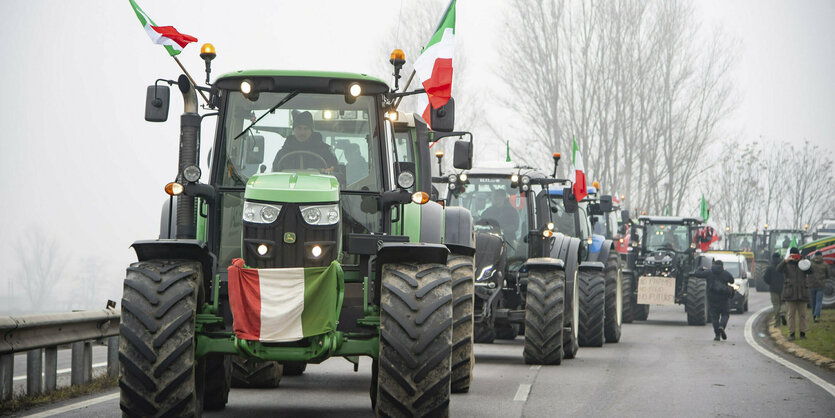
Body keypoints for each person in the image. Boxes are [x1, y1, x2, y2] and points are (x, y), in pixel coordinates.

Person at [272, 111, 339, 172]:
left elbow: (335, 173)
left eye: (306, 129)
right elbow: (274, 176)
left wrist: (326, 171)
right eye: (299, 128)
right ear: (294, 129)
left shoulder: (325, 152)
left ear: (311, 131)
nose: (302, 132)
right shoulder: (282, 153)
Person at [695, 259, 734, 341]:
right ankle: (722, 326)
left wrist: (701, 268)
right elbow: (732, 280)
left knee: (715, 317)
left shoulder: (709, 272)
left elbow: (697, 274)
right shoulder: (725, 273)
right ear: (722, 266)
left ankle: (717, 335)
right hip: (723, 298)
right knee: (725, 314)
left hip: (712, 298)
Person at [777, 247, 809, 341]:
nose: (794, 257)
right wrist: (785, 261)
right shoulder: (787, 265)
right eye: (793, 255)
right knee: (791, 315)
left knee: (802, 315)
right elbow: (778, 269)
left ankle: (802, 333)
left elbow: (811, 271)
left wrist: (804, 261)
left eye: (796, 255)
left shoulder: (802, 264)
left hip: (802, 293)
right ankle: (792, 334)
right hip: (790, 294)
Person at [762, 252, 786, 327]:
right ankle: (782, 313)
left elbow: (765, 278)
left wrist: (770, 283)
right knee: (783, 302)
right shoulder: (783, 266)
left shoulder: (770, 267)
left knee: (776, 304)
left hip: (773, 288)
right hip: (783, 287)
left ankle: (777, 323)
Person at [807, 251, 830, 323]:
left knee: (813, 301)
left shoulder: (810, 263)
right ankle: (817, 315)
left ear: (815, 255)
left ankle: (814, 315)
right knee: (819, 301)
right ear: (821, 255)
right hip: (821, 285)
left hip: (811, 285)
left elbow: (806, 271)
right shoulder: (825, 264)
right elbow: (828, 275)